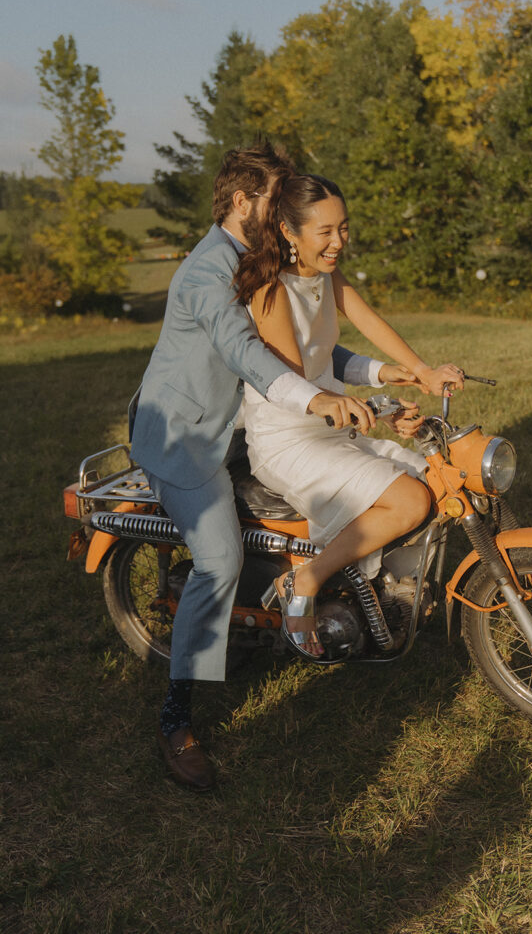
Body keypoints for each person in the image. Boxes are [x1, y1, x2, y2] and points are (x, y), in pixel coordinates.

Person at [130, 145, 395, 791]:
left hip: (248, 429)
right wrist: (318, 399)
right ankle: (175, 720)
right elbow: (245, 352)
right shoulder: (207, 272)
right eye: (276, 201)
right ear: (242, 201)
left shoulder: (266, 260)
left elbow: (310, 348)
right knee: (218, 559)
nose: (285, 215)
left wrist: (383, 376)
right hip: (188, 438)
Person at [234, 173, 465, 657]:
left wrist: (418, 371)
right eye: (326, 231)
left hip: (329, 429)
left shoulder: (324, 274)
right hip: (288, 439)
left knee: (435, 482)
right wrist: (375, 409)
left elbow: (361, 327)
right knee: (408, 501)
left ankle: (391, 595)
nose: (339, 241)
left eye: (343, 228)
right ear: (288, 231)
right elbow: (296, 382)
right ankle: (306, 580)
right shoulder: (271, 290)